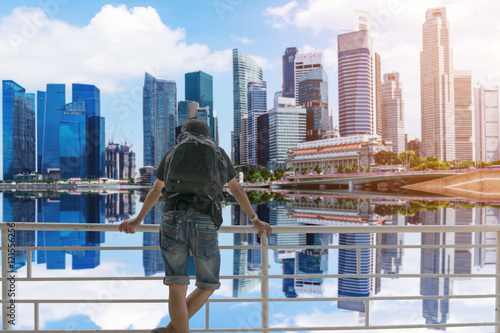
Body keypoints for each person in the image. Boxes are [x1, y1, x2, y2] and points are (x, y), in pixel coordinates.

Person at [119, 119, 272, 333]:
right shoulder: (217, 152)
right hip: (205, 221)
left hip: (172, 219)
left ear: (184, 133)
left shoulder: (173, 152)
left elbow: (155, 191)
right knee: (207, 284)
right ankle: (170, 331)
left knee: (176, 284)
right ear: (208, 134)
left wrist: (137, 220)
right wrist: (254, 218)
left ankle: (170, 330)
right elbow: (236, 190)